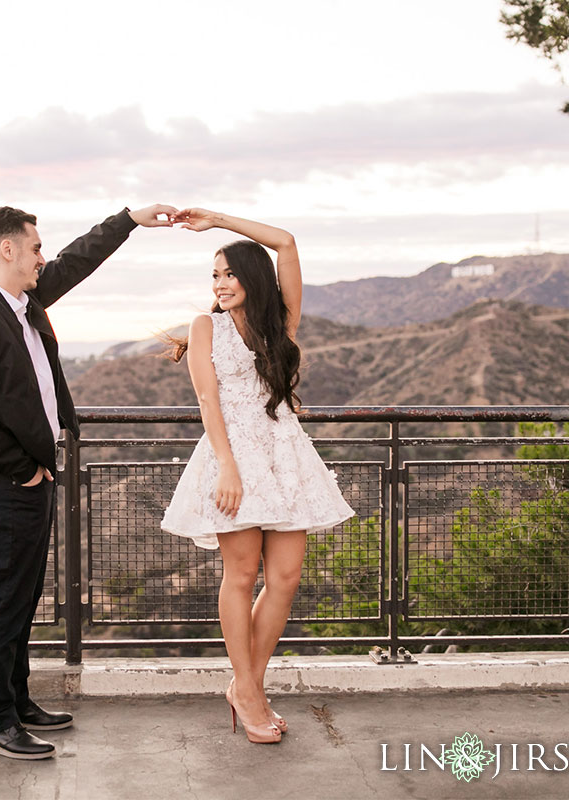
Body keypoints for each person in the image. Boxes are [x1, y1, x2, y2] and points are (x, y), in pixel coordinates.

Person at [0, 204, 177, 760]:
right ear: (7, 251)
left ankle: (17, 701)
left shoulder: (24, 304)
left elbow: (78, 260)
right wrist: (24, 469)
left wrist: (130, 220)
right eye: (35, 248)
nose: (43, 258)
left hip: (34, 477)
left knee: (23, 598)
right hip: (11, 481)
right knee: (7, 600)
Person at [157, 209, 354, 744]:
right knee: (241, 575)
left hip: (284, 454)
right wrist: (227, 466)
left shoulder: (279, 323)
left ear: (252, 278)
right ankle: (247, 691)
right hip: (233, 458)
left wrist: (217, 219)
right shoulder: (206, 327)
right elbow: (206, 397)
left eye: (229, 273)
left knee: (285, 578)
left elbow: (286, 242)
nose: (220, 284)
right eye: (214, 276)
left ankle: (248, 685)